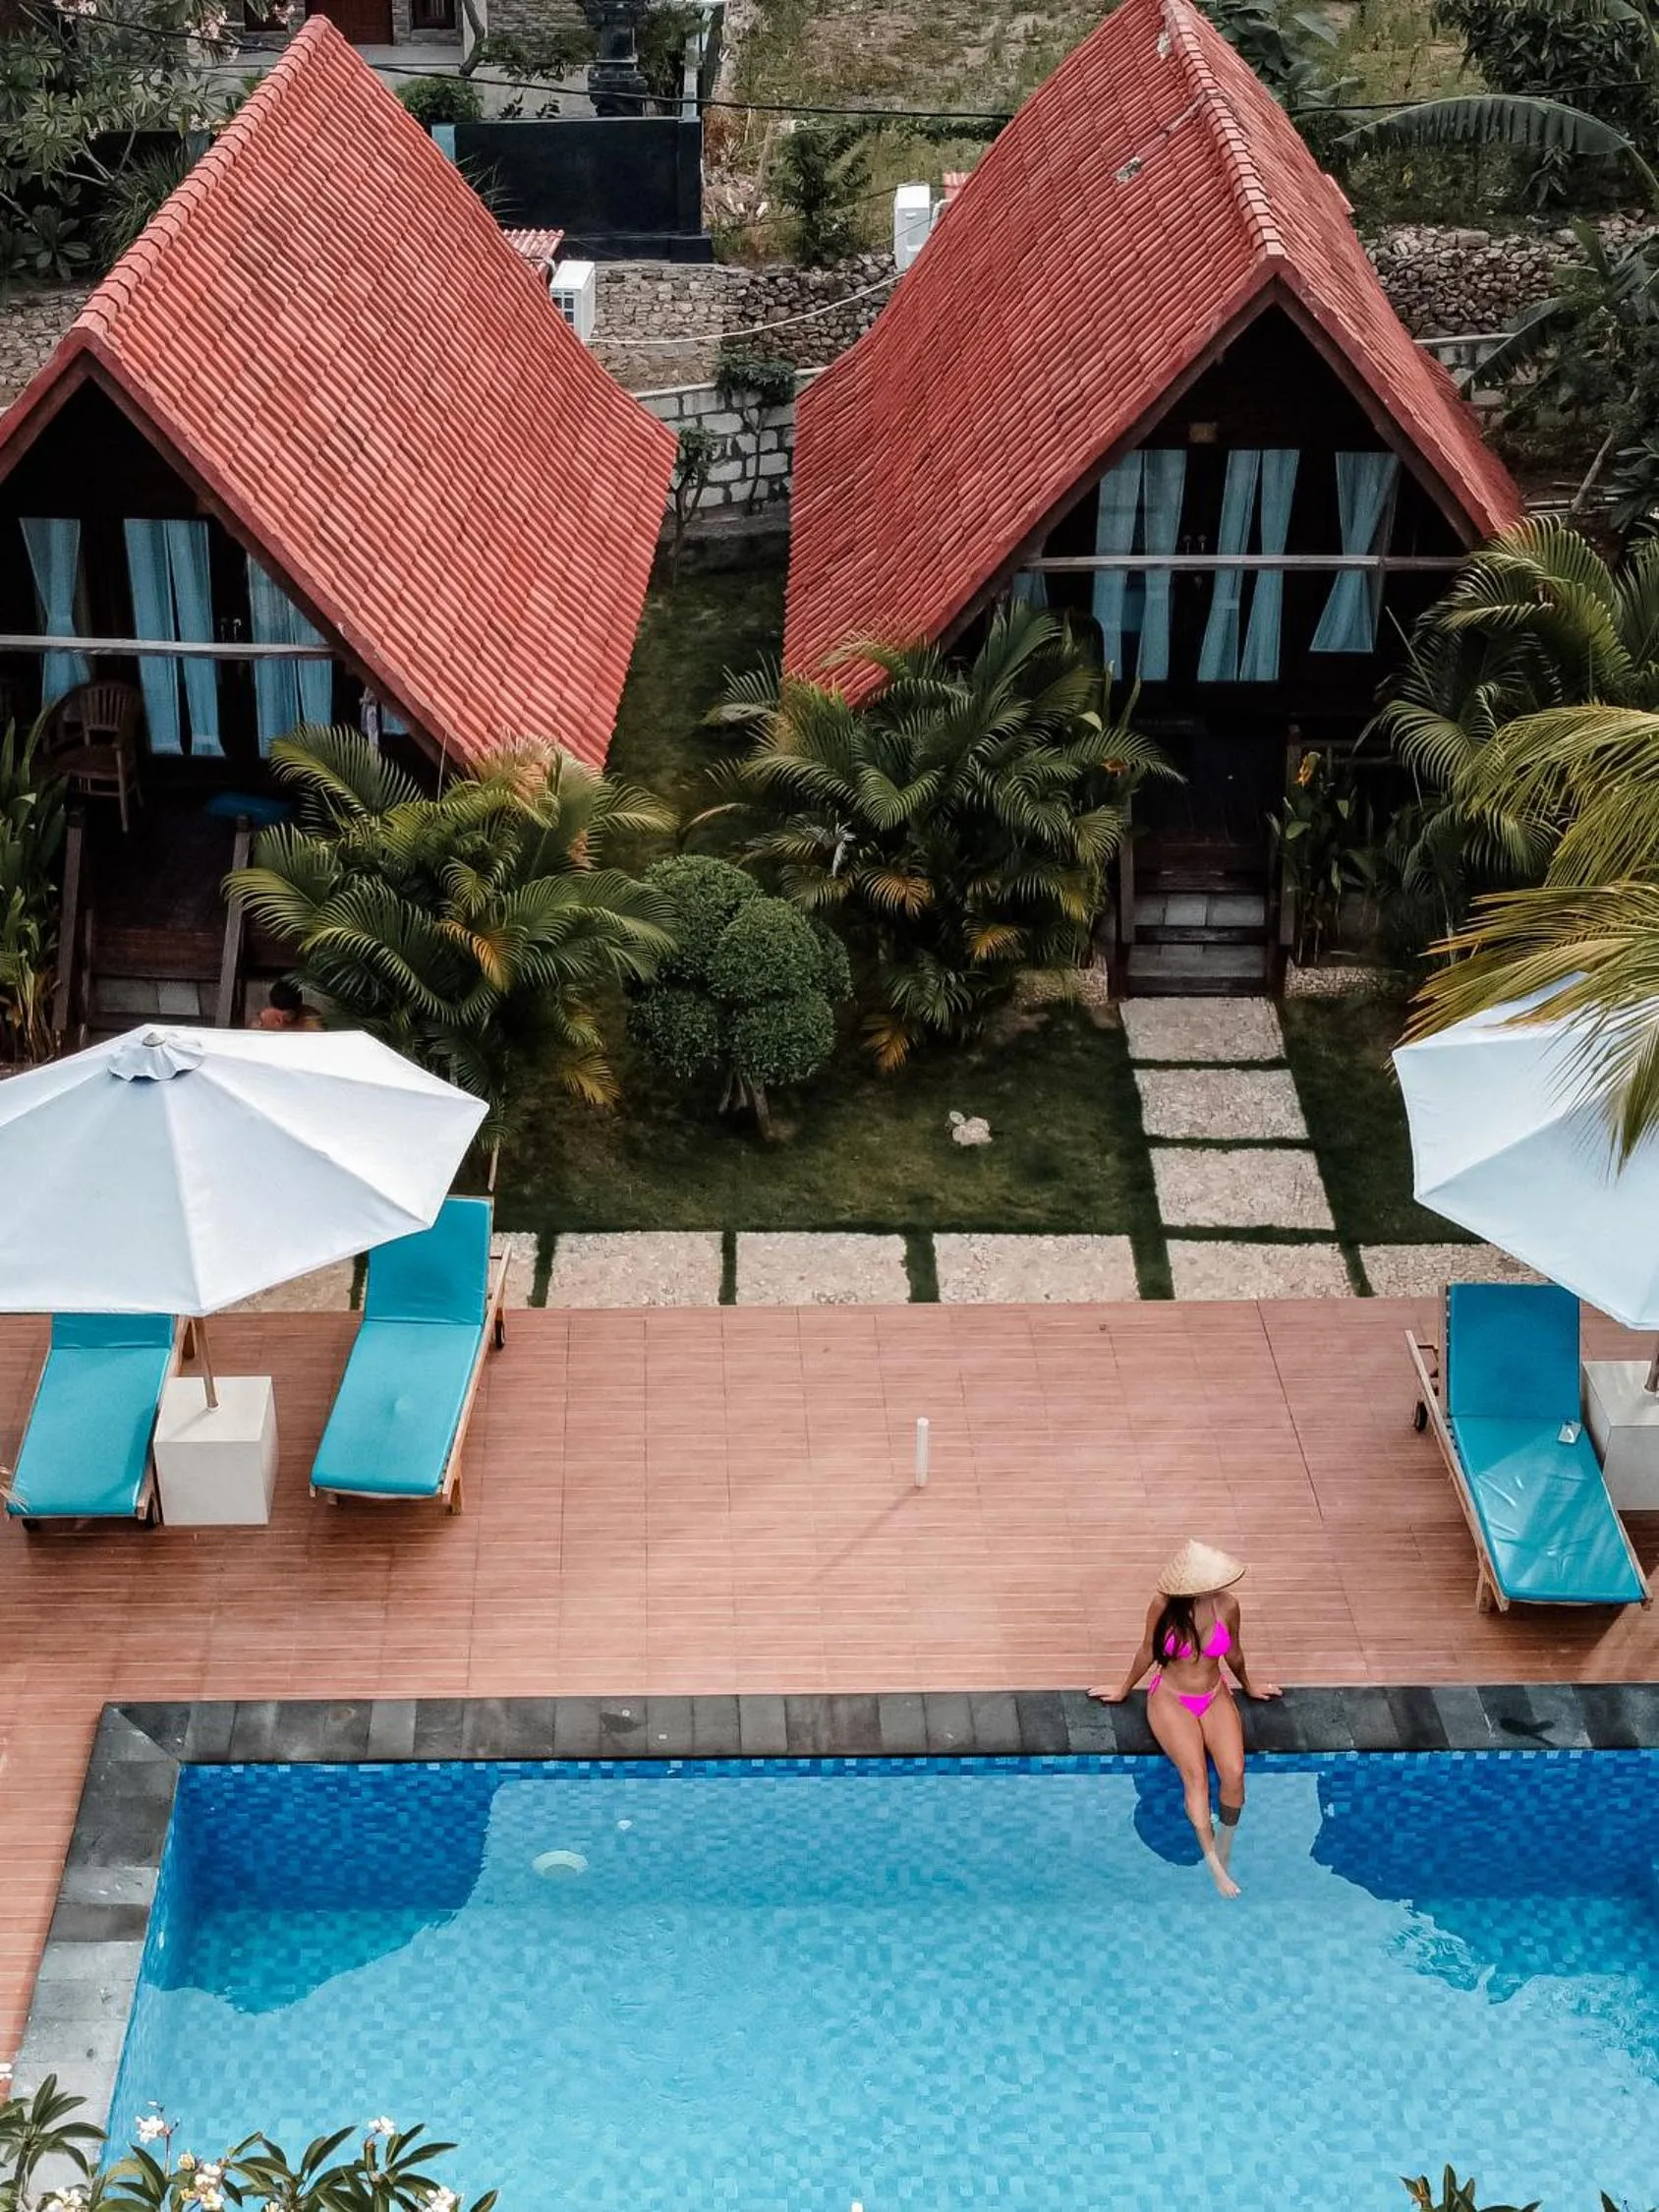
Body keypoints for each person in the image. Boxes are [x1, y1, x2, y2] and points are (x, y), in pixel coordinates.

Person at [1089, 1540, 1280, 1898]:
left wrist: (1250, 1686)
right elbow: (1148, 1649)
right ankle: (1214, 1866)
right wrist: (1123, 1688)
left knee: (1234, 1772)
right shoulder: (1163, 1606)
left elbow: (1234, 1653)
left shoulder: (1228, 1606)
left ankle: (1225, 1845)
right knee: (1196, 1778)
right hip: (1172, 1699)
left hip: (1213, 1694)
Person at [251, 978, 321, 1032]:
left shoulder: (312, 1019)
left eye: (289, 1014)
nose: (286, 1018)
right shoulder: (265, 1017)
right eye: (281, 1015)